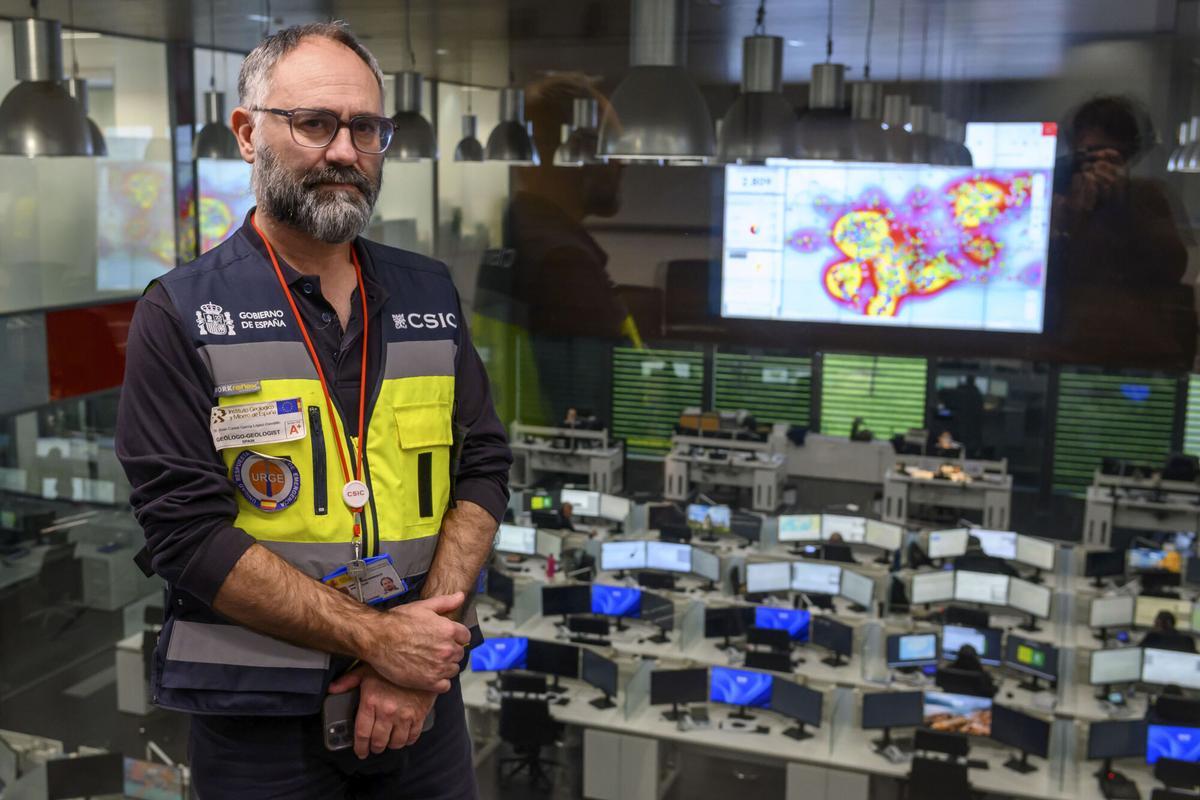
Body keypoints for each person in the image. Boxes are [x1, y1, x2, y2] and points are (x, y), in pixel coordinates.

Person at [115, 23, 511, 798]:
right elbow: (185, 534)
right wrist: (381, 640)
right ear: (246, 133)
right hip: (260, 723)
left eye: (365, 129)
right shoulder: (181, 314)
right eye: (315, 123)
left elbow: (484, 466)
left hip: (421, 711)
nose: (344, 151)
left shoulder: (429, 293)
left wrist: (416, 654)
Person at [1050, 95, 1196, 370]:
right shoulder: (1063, 196)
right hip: (1071, 348)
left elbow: (1173, 266)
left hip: (1138, 350)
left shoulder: (1147, 195)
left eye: (1107, 155)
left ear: (1127, 155)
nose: (1098, 166)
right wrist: (1068, 214)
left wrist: (1124, 201)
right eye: (1089, 155)